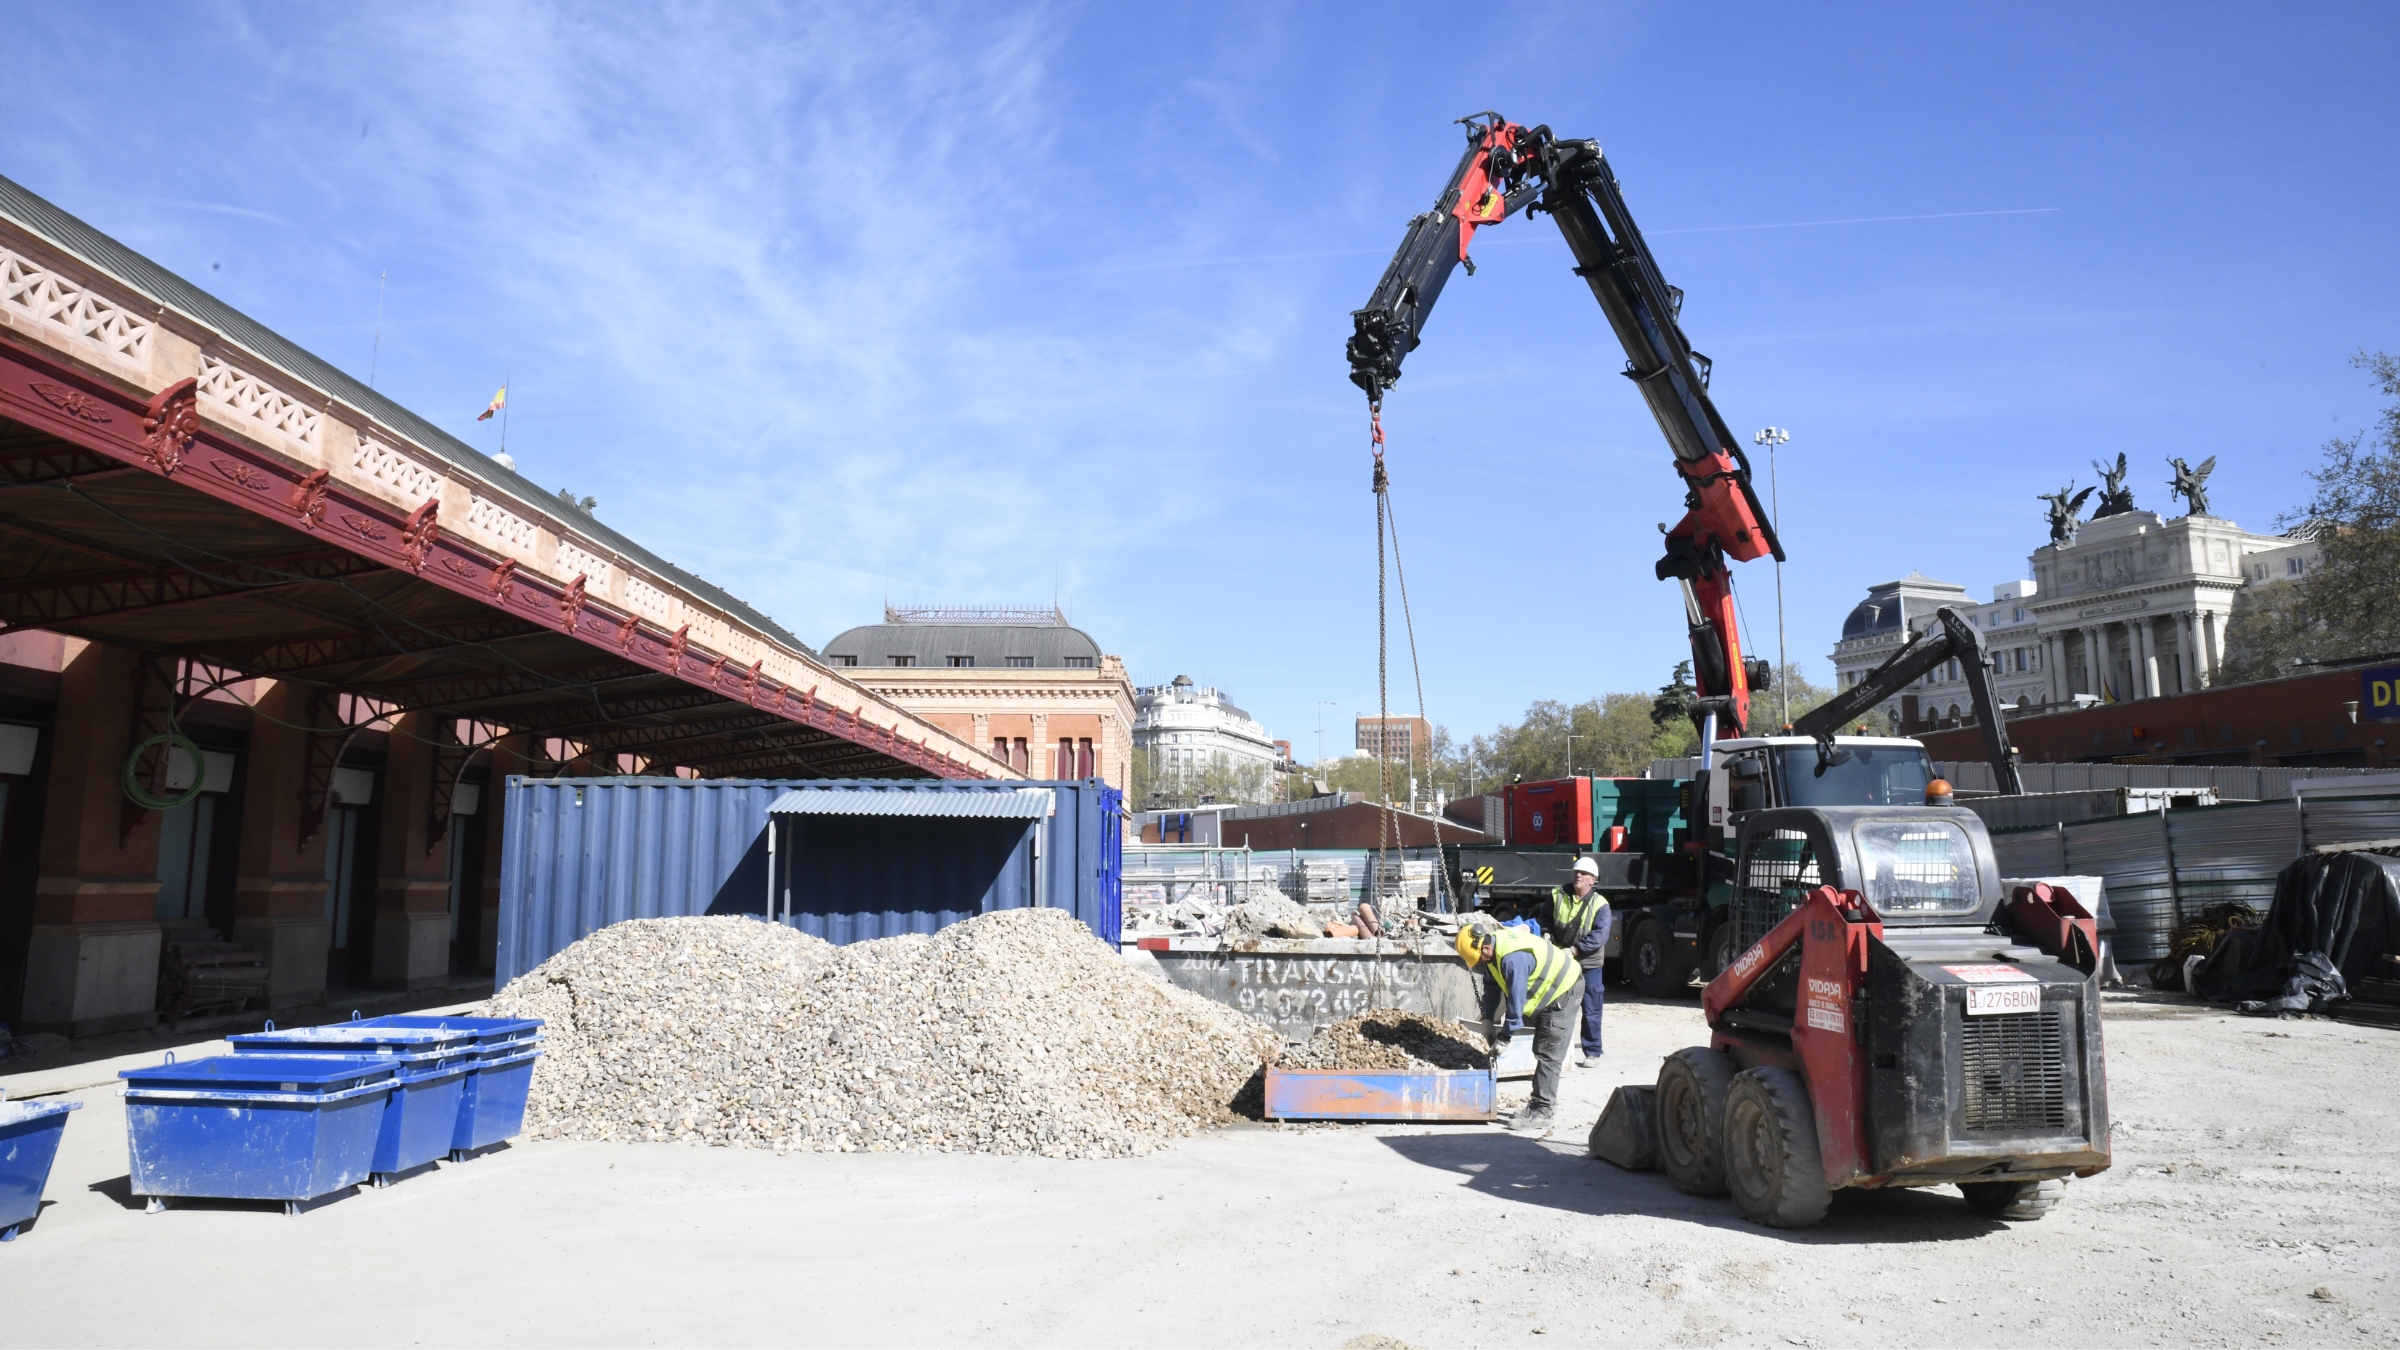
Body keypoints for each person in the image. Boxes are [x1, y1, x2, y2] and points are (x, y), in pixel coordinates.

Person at [1456, 920, 1583, 1137]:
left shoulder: (1512, 959)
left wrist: (1505, 1036)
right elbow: (1492, 987)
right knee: (1540, 1047)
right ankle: (1539, 1104)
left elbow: (1516, 1003)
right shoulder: (1493, 950)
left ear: (1486, 948)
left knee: (1548, 1052)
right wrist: (1487, 1018)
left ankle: (1543, 1110)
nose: (1478, 964)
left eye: (1478, 959)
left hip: (1564, 988)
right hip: (1550, 988)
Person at [1544, 857, 1613, 1066]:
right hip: (1561, 963)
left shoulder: (1600, 905)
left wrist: (1574, 950)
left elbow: (1600, 935)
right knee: (1555, 1007)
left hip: (1588, 964)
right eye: (1576, 872)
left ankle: (1592, 1052)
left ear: (1593, 880)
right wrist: (1546, 933)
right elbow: (1544, 918)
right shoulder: (1557, 895)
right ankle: (1554, 1051)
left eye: (1583, 873)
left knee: (1591, 1008)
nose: (1578, 875)